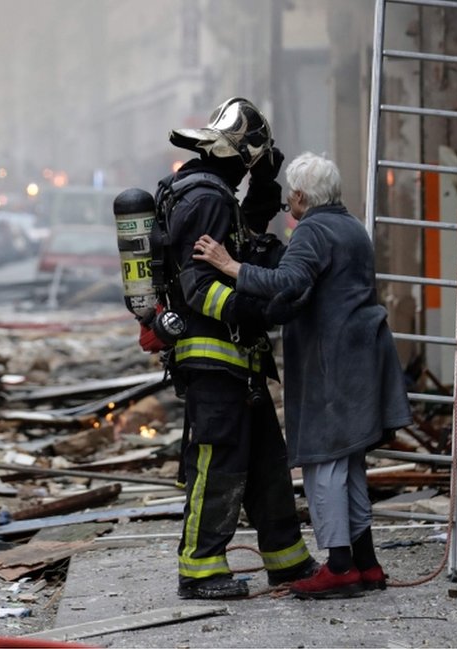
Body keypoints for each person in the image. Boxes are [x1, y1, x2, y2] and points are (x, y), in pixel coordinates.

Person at [193, 152, 413, 598]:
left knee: (323, 464)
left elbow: (288, 283)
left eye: (288, 196)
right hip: (363, 357)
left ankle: (339, 567)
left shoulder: (312, 229)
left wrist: (228, 265)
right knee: (349, 464)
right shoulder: (351, 226)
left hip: (333, 364)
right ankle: (366, 565)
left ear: (297, 195)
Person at [146, 97, 318, 600]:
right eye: (250, 165)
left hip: (238, 361)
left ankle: (287, 559)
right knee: (217, 462)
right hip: (215, 356)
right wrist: (256, 309)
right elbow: (201, 287)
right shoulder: (209, 198)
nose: (249, 175)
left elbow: (247, 233)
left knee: (267, 460)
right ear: (239, 157)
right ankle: (200, 568)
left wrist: (268, 181)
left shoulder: (204, 191)